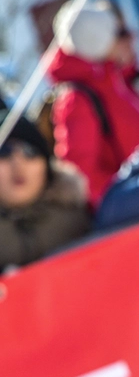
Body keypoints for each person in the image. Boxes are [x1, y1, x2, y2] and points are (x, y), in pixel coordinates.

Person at [47, 0, 139, 208]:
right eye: (119, 33)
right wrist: (126, 202)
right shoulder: (77, 99)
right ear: (100, 40)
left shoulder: (115, 82)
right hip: (132, 211)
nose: (130, 38)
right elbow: (80, 175)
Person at [0, 111, 90, 273]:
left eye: (30, 152)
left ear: (47, 167)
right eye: (4, 152)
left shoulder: (79, 221)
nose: (18, 164)